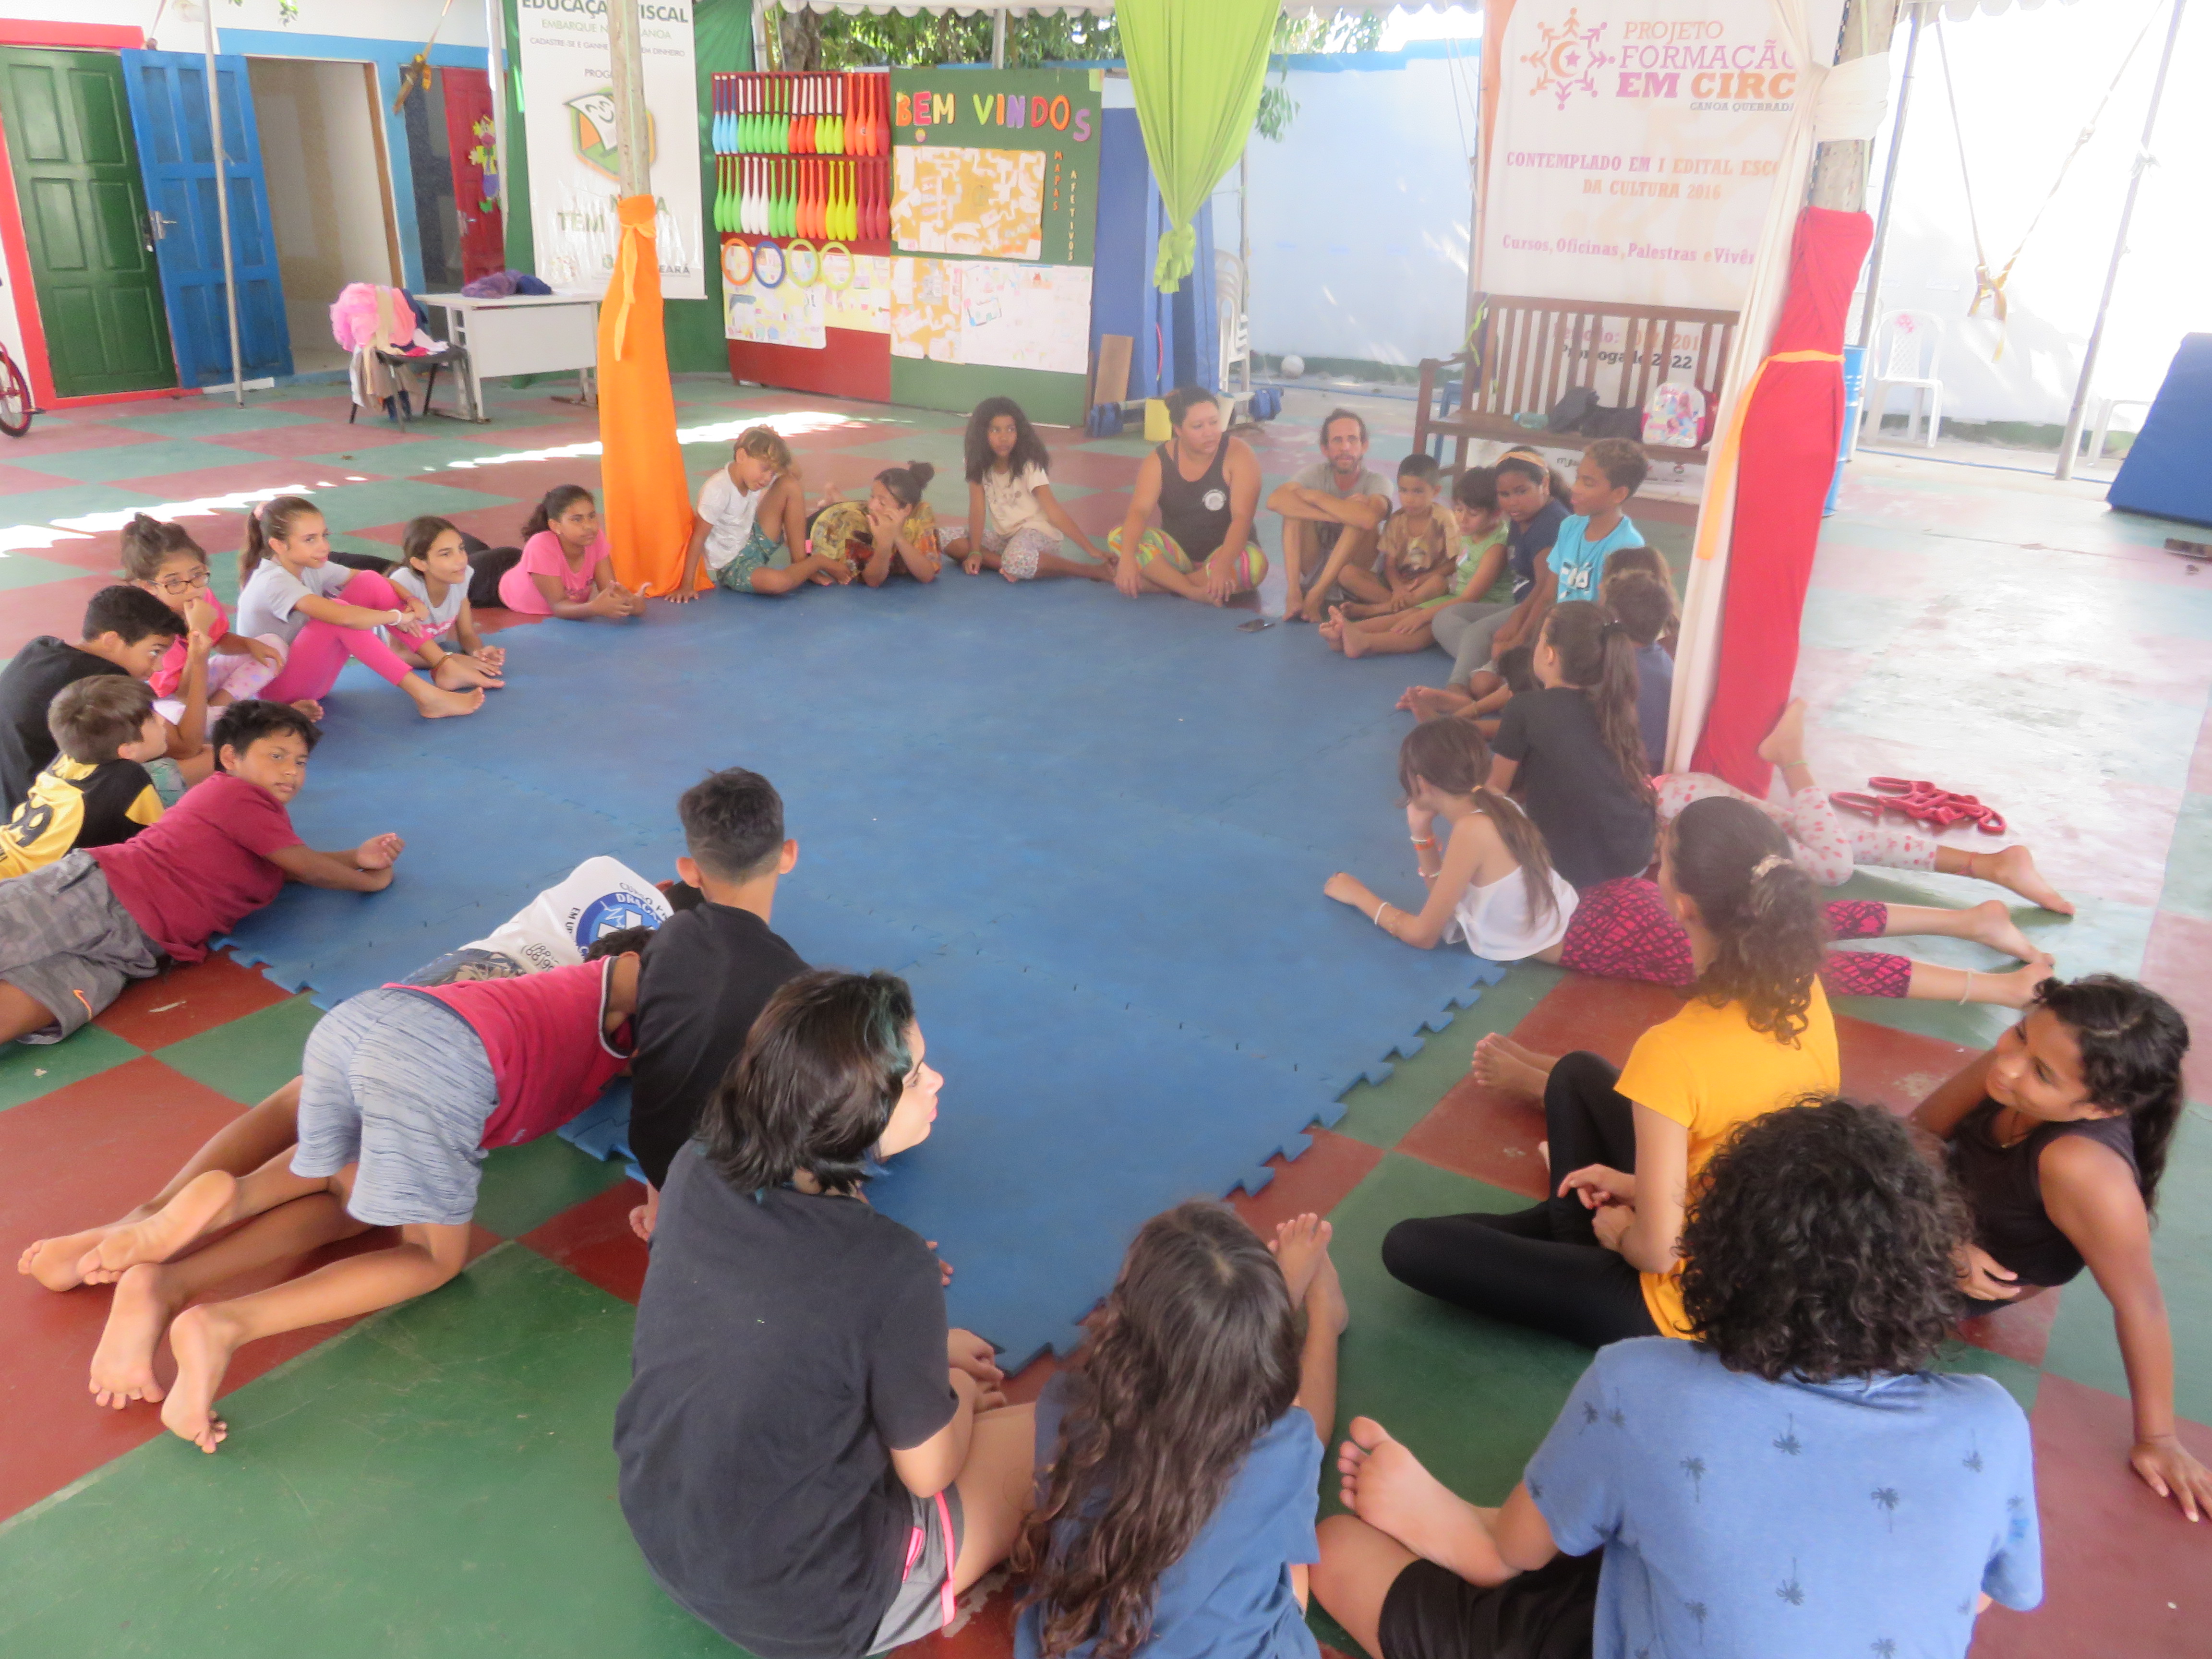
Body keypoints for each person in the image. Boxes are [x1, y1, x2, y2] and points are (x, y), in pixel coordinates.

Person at [1315, 1099, 2043, 1659]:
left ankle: (1472, 1521)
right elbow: (1983, 1594)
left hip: (1589, 1598)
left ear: (1720, 1258)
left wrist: (1480, 1539)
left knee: (1339, 1550)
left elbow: (1514, 1556)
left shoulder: (1642, 1382)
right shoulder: (1992, 1419)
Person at [52, 929, 649, 1451]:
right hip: (436, 1067)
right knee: (432, 1257)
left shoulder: (550, 994)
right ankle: (225, 1324)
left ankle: (199, 1237)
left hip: (358, 1024)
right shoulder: (619, 998)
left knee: (353, 1192)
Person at [614, 971, 1035, 1659]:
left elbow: (795, 1323)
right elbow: (929, 1473)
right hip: (812, 1608)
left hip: (666, 1532)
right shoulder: (892, 1264)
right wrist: (955, 1390)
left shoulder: (696, 1165)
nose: (937, 1081)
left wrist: (929, 1354)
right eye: (915, 1077)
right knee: (1067, 1431)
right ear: (856, 1116)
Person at [1379, 794, 1841, 1348]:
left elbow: (1660, 1253)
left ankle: (1576, 1238)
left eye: (1663, 854)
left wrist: (1625, 1235)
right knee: (1576, 1074)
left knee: (1410, 1245)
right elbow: (1735, 1151)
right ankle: (1569, 1224)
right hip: (1749, 1224)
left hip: (1684, 1300)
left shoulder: (1673, 1051)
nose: (1657, 860)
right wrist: (1635, 1187)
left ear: (1683, 905)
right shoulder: (1801, 986)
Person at [1327, 729, 2058, 1008]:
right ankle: (1971, 920)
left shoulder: (1467, 833)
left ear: (1421, 785)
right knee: (1790, 922)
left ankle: (1999, 989)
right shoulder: (1496, 806)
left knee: (1803, 968)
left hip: (1616, 936)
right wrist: (1426, 842)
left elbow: (1426, 931)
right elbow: (1459, 905)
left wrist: (1362, 895)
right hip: (1615, 906)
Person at [1915, 974, 2212, 1520]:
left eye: (2042, 1074)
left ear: (2099, 1108)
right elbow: (1920, 1131)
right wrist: (1941, 1233)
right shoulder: (2017, 1064)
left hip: (1962, 1276)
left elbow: (2141, 1303)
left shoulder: (2083, 1169)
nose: (2010, 1064)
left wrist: (2159, 1438)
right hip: (1936, 1230)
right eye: (2021, 1033)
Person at [1011, 1204, 1348, 1659]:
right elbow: (1297, 1439)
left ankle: (1259, 1319)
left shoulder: (1066, 1405)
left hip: (1075, 1643)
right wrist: (1275, 1310)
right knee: (1290, 1512)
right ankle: (1325, 1318)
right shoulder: (1279, 1447)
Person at [0, 700, 404, 1046]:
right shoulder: (234, 794)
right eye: (277, 756)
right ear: (230, 758)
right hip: (104, 893)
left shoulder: (263, 820)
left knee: (48, 1000)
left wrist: (355, 856)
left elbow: (289, 866)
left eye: (300, 762)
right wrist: (369, 881)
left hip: (139, 946)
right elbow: (307, 868)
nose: (291, 771)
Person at [1658, 699, 2075, 914]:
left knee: (1831, 865)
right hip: (1688, 796)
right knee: (1827, 840)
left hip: (1683, 807)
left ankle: (1791, 757)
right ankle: (1990, 865)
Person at [625, 768, 808, 1241]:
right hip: (732, 1178)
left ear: (690, 870)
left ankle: (662, 1206)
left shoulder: (671, 936)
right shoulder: (799, 988)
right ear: (788, 855)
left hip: (651, 1149)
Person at [241, 497, 485, 719]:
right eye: (310, 540)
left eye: (324, 536)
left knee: (369, 581)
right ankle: (427, 697)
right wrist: (396, 617)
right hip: (277, 694)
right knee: (339, 615)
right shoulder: (274, 582)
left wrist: (411, 599)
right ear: (279, 545)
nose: (324, 547)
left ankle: (443, 665)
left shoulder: (309, 566)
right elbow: (344, 617)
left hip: (312, 684)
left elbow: (374, 581)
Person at [1485, 600, 1657, 890]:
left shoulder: (1524, 708)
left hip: (1574, 879)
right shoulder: (1616, 705)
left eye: (1540, 639)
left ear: (1549, 654)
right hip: (1635, 857)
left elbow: (1494, 793)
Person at [1403, 454, 1567, 720]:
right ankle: (1491, 668)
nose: (1512, 502)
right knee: (1445, 618)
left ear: (1544, 485)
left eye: (1521, 492)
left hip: (1540, 614)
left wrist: (1517, 633)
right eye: (1505, 495)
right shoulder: (1522, 516)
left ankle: (1458, 689)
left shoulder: (1550, 525)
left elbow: (1546, 594)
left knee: (1478, 638)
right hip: (1521, 605)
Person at [0, 586, 187, 813]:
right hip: (50, 809)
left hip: (12, 805)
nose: (158, 667)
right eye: (154, 652)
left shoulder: (41, 648)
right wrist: (199, 654)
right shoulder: (104, 682)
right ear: (111, 640)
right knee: (196, 762)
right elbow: (183, 747)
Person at [119, 513, 285, 741]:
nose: (191, 589)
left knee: (272, 646)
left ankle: (219, 708)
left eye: (197, 575)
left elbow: (220, 641)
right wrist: (198, 632)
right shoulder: (151, 627)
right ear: (149, 587)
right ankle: (218, 718)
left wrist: (249, 644)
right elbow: (184, 694)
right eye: (174, 582)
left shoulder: (202, 595)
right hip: (170, 700)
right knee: (176, 719)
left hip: (203, 678)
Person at [1326, 468, 1508, 661]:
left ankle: (1366, 643)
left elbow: (1470, 597)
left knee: (1427, 626)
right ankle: (1345, 630)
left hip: (1482, 606)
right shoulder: (1472, 532)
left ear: (1496, 513)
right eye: (1459, 510)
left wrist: (1423, 616)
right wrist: (1420, 603)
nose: (1462, 519)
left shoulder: (1496, 547)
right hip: (1458, 599)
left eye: (1473, 514)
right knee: (1406, 616)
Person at [1109, 387, 1267, 607]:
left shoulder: (1239, 454)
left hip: (1226, 555)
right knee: (1120, 537)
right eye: (1198, 426)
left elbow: (1243, 519)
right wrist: (1127, 560)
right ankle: (1192, 590)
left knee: (1255, 563)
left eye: (1214, 422)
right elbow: (1139, 512)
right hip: (1178, 557)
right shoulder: (1158, 460)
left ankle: (1161, 584)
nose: (1210, 432)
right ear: (1178, 430)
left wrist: (1222, 566)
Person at [0, 678, 168, 878]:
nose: (163, 720)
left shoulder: (69, 757)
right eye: (152, 719)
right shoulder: (128, 778)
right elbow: (164, 848)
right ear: (128, 750)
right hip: (18, 887)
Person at [946, 397, 1113, 581]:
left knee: (1017, 557)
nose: (1004, 438)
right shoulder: (976, 462)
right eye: (995, 430)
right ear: (982, 434)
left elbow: (1053, 510)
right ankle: (1010, 565)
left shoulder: (1028, 464)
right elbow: (977, 508)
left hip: (1039, 534)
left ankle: (1089, 571)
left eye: (1011, 429)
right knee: (946, 538)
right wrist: (975, 552)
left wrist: (1091, 550)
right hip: (1006, 539)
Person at [673, 427, 848, 599]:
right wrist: (687, 585)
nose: (767, 479)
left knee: (790, 485)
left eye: (772, 473)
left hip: (753, 536)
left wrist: (778, 441)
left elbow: (795, 474)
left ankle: (801, 565)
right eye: (765, 469)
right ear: (742, 456)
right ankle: (816, 562)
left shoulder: (753, 477)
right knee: (779, 583)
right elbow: (698, 538)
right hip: (734, 565)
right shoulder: (717, 490)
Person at [1267, 408, 1393, 623]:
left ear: (1364, 446)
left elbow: (1369, 519)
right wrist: (1338, 513)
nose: (1345, 447)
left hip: (1355, 570)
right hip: (1316, 563)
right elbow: (1275, 501)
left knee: (1359, 516)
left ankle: (1316, 595)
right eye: (1337, 440)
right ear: (1325, 449)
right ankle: (1294, 593)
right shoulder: (1315, 474)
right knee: (1292, 511)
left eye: (1352, 439)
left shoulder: (1377, 482)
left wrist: (1317, 497)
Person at [1321, 455, 1459, 639]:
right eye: (1404, 491)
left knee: (1439, 584)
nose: (1409, 499)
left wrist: (1425, 578)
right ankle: (1400, 608)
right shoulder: (1396, 521)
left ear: (1436, 491)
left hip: (1425, 586)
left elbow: (1455, 562)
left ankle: (1375, 610)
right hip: (1395, 586)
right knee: (1346, 573)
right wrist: (1398, 588)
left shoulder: (1444, 519)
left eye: (1418, 492)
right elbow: (1390, 565)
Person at [386, 516, 506, 688]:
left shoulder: (462, 576)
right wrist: (449, 660)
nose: (461, 560)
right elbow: (398, 653)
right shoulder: (405, 583)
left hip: (431, 650)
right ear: (421, 563)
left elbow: (467, 634)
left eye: (461, 549)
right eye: (446, 554)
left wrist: (478, 654)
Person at [497, 486, 647, 620]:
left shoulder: (595, 538)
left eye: (592, 516)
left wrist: (632, 604)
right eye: (577, 520)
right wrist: (593, 608)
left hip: (523, 564)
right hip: (494, 581)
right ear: (556, 526)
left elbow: (610, 591)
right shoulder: (540, 545)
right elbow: (558, 606)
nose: (588, 526)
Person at [811, 463, 945, 586]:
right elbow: (873, 581)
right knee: (852, 515)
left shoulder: (920, 513)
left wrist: (898, 537)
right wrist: (884, 545)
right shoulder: (855, 525)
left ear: (906, 510)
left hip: (850, 510)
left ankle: (835, 497)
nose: (872, 506)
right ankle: (834, 500)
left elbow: (927, 576)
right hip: (827, 524)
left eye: (882, 503)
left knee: (861, 508)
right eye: (872, 496)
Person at [1601, 569, 1675, 773]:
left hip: (1632, 773)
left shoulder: (1614, 667)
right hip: (1652, 771)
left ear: (1613, 620)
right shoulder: (1663, 660)